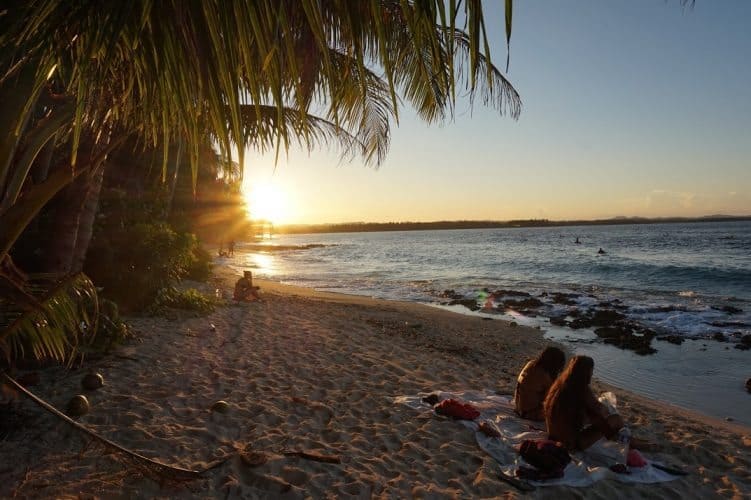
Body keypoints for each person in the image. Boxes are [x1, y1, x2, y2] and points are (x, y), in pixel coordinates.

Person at [543, 355, 625, 451]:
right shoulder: (582, 390)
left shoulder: (558, 385)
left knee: (592, 415)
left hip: (553, 436)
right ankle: (626, 442)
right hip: (570, 443)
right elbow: (600, 410)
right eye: (591, 371)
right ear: (587, 372)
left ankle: (621, 438)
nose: (592, 374)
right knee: (615, 419)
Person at [514, 346, 566, 421]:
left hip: (518, 407)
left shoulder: (531, 364)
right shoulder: (544, 376)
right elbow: (551, 399)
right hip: (530, 413)